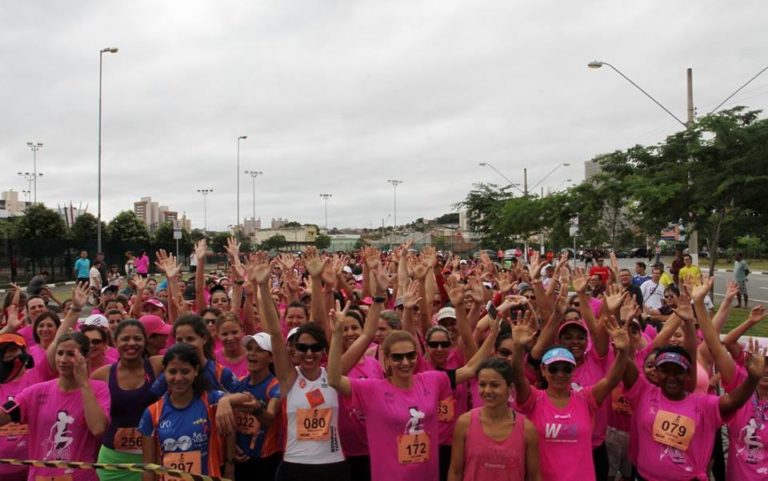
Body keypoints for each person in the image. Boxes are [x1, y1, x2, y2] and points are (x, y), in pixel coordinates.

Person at [327, 305, 499, 481]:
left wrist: (493, 335)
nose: (405, 362)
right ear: (386, 359)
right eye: (397, 357)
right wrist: (337, 334)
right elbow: (333, 379)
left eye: (410, 355)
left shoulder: (432, 380)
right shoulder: (372, 390)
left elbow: (470, 369)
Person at [512, 310, 630, 481]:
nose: (560, 374)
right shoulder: (534, 399)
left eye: (566, 368)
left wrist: (623, 352)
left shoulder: (586, 399)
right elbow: (517, 377)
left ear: (573, 370)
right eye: (554, 368)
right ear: (543, 371)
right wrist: (517, 347)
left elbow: (611, 380)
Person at [622, 342, 765, 481]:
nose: (671, 377)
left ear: (688, 375)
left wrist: (752, 379)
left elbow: (734, 401)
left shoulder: (703, 404)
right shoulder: (644, 393)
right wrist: (622, 350)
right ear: (657, 372)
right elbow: (626, 367)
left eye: (678, 372)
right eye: (665, 371)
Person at [0, 332, 111, 481]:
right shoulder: (36, 391)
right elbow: (4, 414)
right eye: (60, 353)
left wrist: (84, 384)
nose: (63, 360)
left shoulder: (99, 389)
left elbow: (98, 428)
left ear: (85, 357)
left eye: (71, 354)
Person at [138, 344, 255, 481]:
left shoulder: (210, 401)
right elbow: (149, 467)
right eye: (173, 372)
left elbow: (248, 398)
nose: (179, 378)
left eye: (185, 371)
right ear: (164, 372)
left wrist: (225, 401)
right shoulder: (153, 413)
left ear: (196, 371)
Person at [448, 358, 541, 481]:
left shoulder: (527, 429)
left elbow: (534, 476)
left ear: (510, 387)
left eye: (495, 385)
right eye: (482, 385)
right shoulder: (465, 423)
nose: (487, 391)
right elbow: (455, 472)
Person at [92, 320, 161, 481]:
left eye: (137, 338)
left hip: (151, 458)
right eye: (125, 339)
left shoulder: (158, 365)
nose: (131, 343)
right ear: (115, 342)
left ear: (145, 341)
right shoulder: (101, 375)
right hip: (113, 462)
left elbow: (193, 363)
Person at [231, 333, 282, 481]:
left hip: (266, 460)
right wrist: (232, 446)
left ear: (271, 357)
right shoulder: (239, 383)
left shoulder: (275, 385)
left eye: (259, 350)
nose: (252, 353)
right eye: (249, 349)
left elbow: (270, 419)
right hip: (240, 459)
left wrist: (257, 409)